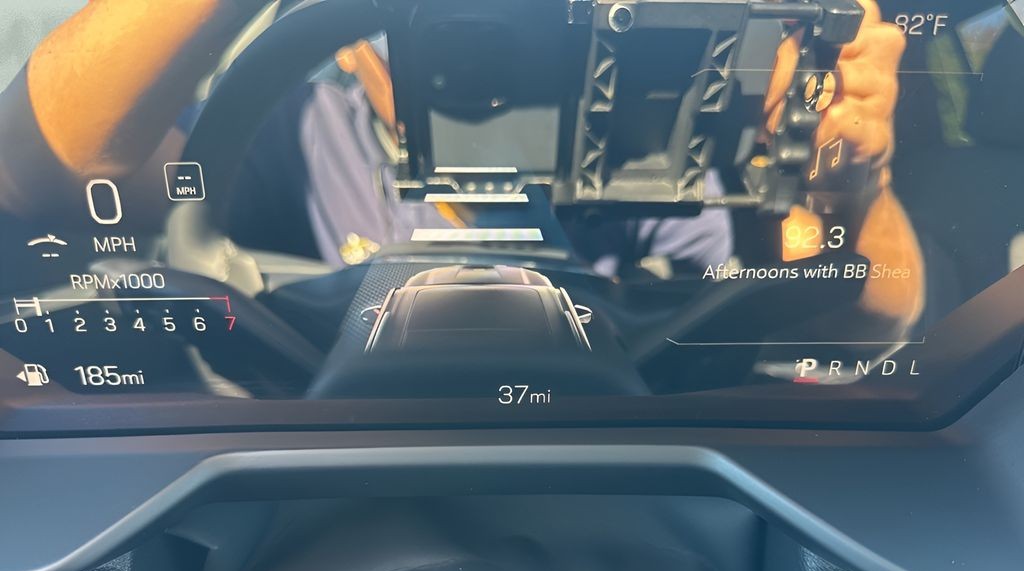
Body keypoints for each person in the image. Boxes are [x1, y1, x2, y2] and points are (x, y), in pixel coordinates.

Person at [0, 0, 923, 331]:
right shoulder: (297, 134)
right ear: (348, 39)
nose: (487, 72)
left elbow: (857, 317)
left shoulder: (632, 151)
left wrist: (842, 182)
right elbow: (37, 176)